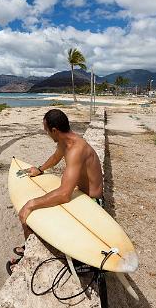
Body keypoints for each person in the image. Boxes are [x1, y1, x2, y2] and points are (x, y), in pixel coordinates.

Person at [6, 108, 103, 274]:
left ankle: (29, 259)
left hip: (92, 204)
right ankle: (31, 247)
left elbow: (65, 194)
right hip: (80, 196)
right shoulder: (65, 142)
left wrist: (31, 204)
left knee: (28, 211)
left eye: (46, 130)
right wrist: (40, 169)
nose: (46, 133)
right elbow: (55, 158)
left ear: (55, 130)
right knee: (36, 208)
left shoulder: (76, 149)